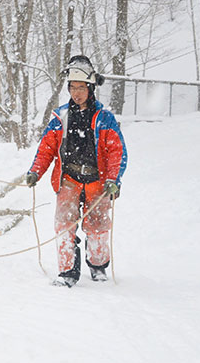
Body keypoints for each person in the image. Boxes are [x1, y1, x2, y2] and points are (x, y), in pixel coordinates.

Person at [23, 55, 128, 287]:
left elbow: (117, 152)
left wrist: (114, 179)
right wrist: (35, 172)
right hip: (68, 179)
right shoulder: (60, 117)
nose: (77, 92)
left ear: (90, 88)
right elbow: (46, 149)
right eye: (72, 87)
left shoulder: (105, 119)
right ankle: (68, 272)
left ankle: (98, 266)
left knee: (99, 226)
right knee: (64, 225)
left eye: (81, 87)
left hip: (97, 181)